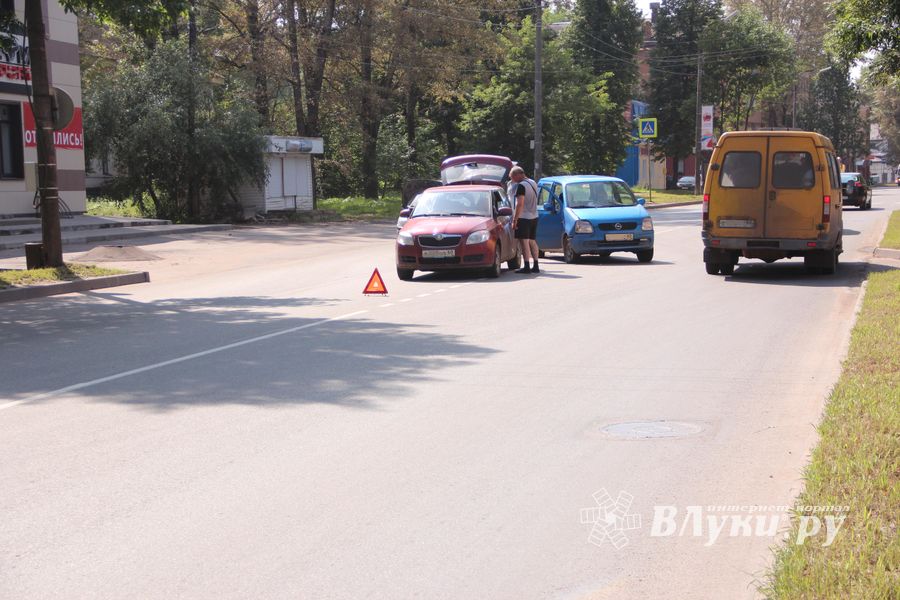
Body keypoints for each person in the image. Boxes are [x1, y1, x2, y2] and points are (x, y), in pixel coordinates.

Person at [510, 165, 540, 274]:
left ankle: (527, 266)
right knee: (532, 241)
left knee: (524, 242)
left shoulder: (521, 186)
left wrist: (515, 219)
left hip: (524, 217)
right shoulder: (533, 182)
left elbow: (520, 204)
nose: (512, 180)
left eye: (512, 177)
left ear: (518, 175)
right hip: (534, 216)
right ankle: (536, 265)